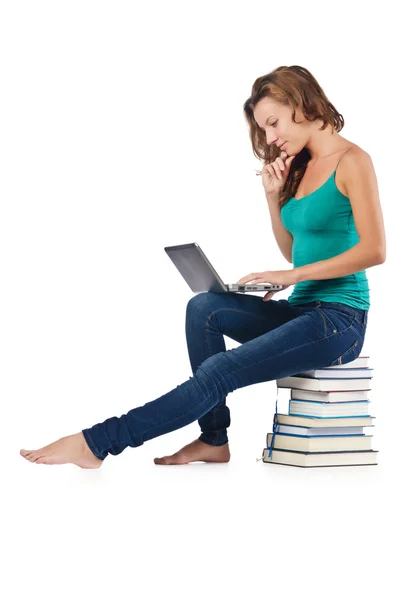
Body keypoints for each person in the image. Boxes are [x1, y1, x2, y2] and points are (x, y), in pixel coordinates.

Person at [20, 64, 386, 469]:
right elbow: (291, 250)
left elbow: (375, 250)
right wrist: (272, 197)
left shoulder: (353, 161)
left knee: (220, 370)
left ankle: (97, 443)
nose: (270, 137)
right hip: (301, 311)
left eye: (273, 123)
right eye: (264, 130)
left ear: (301, 103)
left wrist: (293, 276)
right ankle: (213, 439)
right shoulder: (300, 167)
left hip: (340, 320)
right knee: (203, 307)